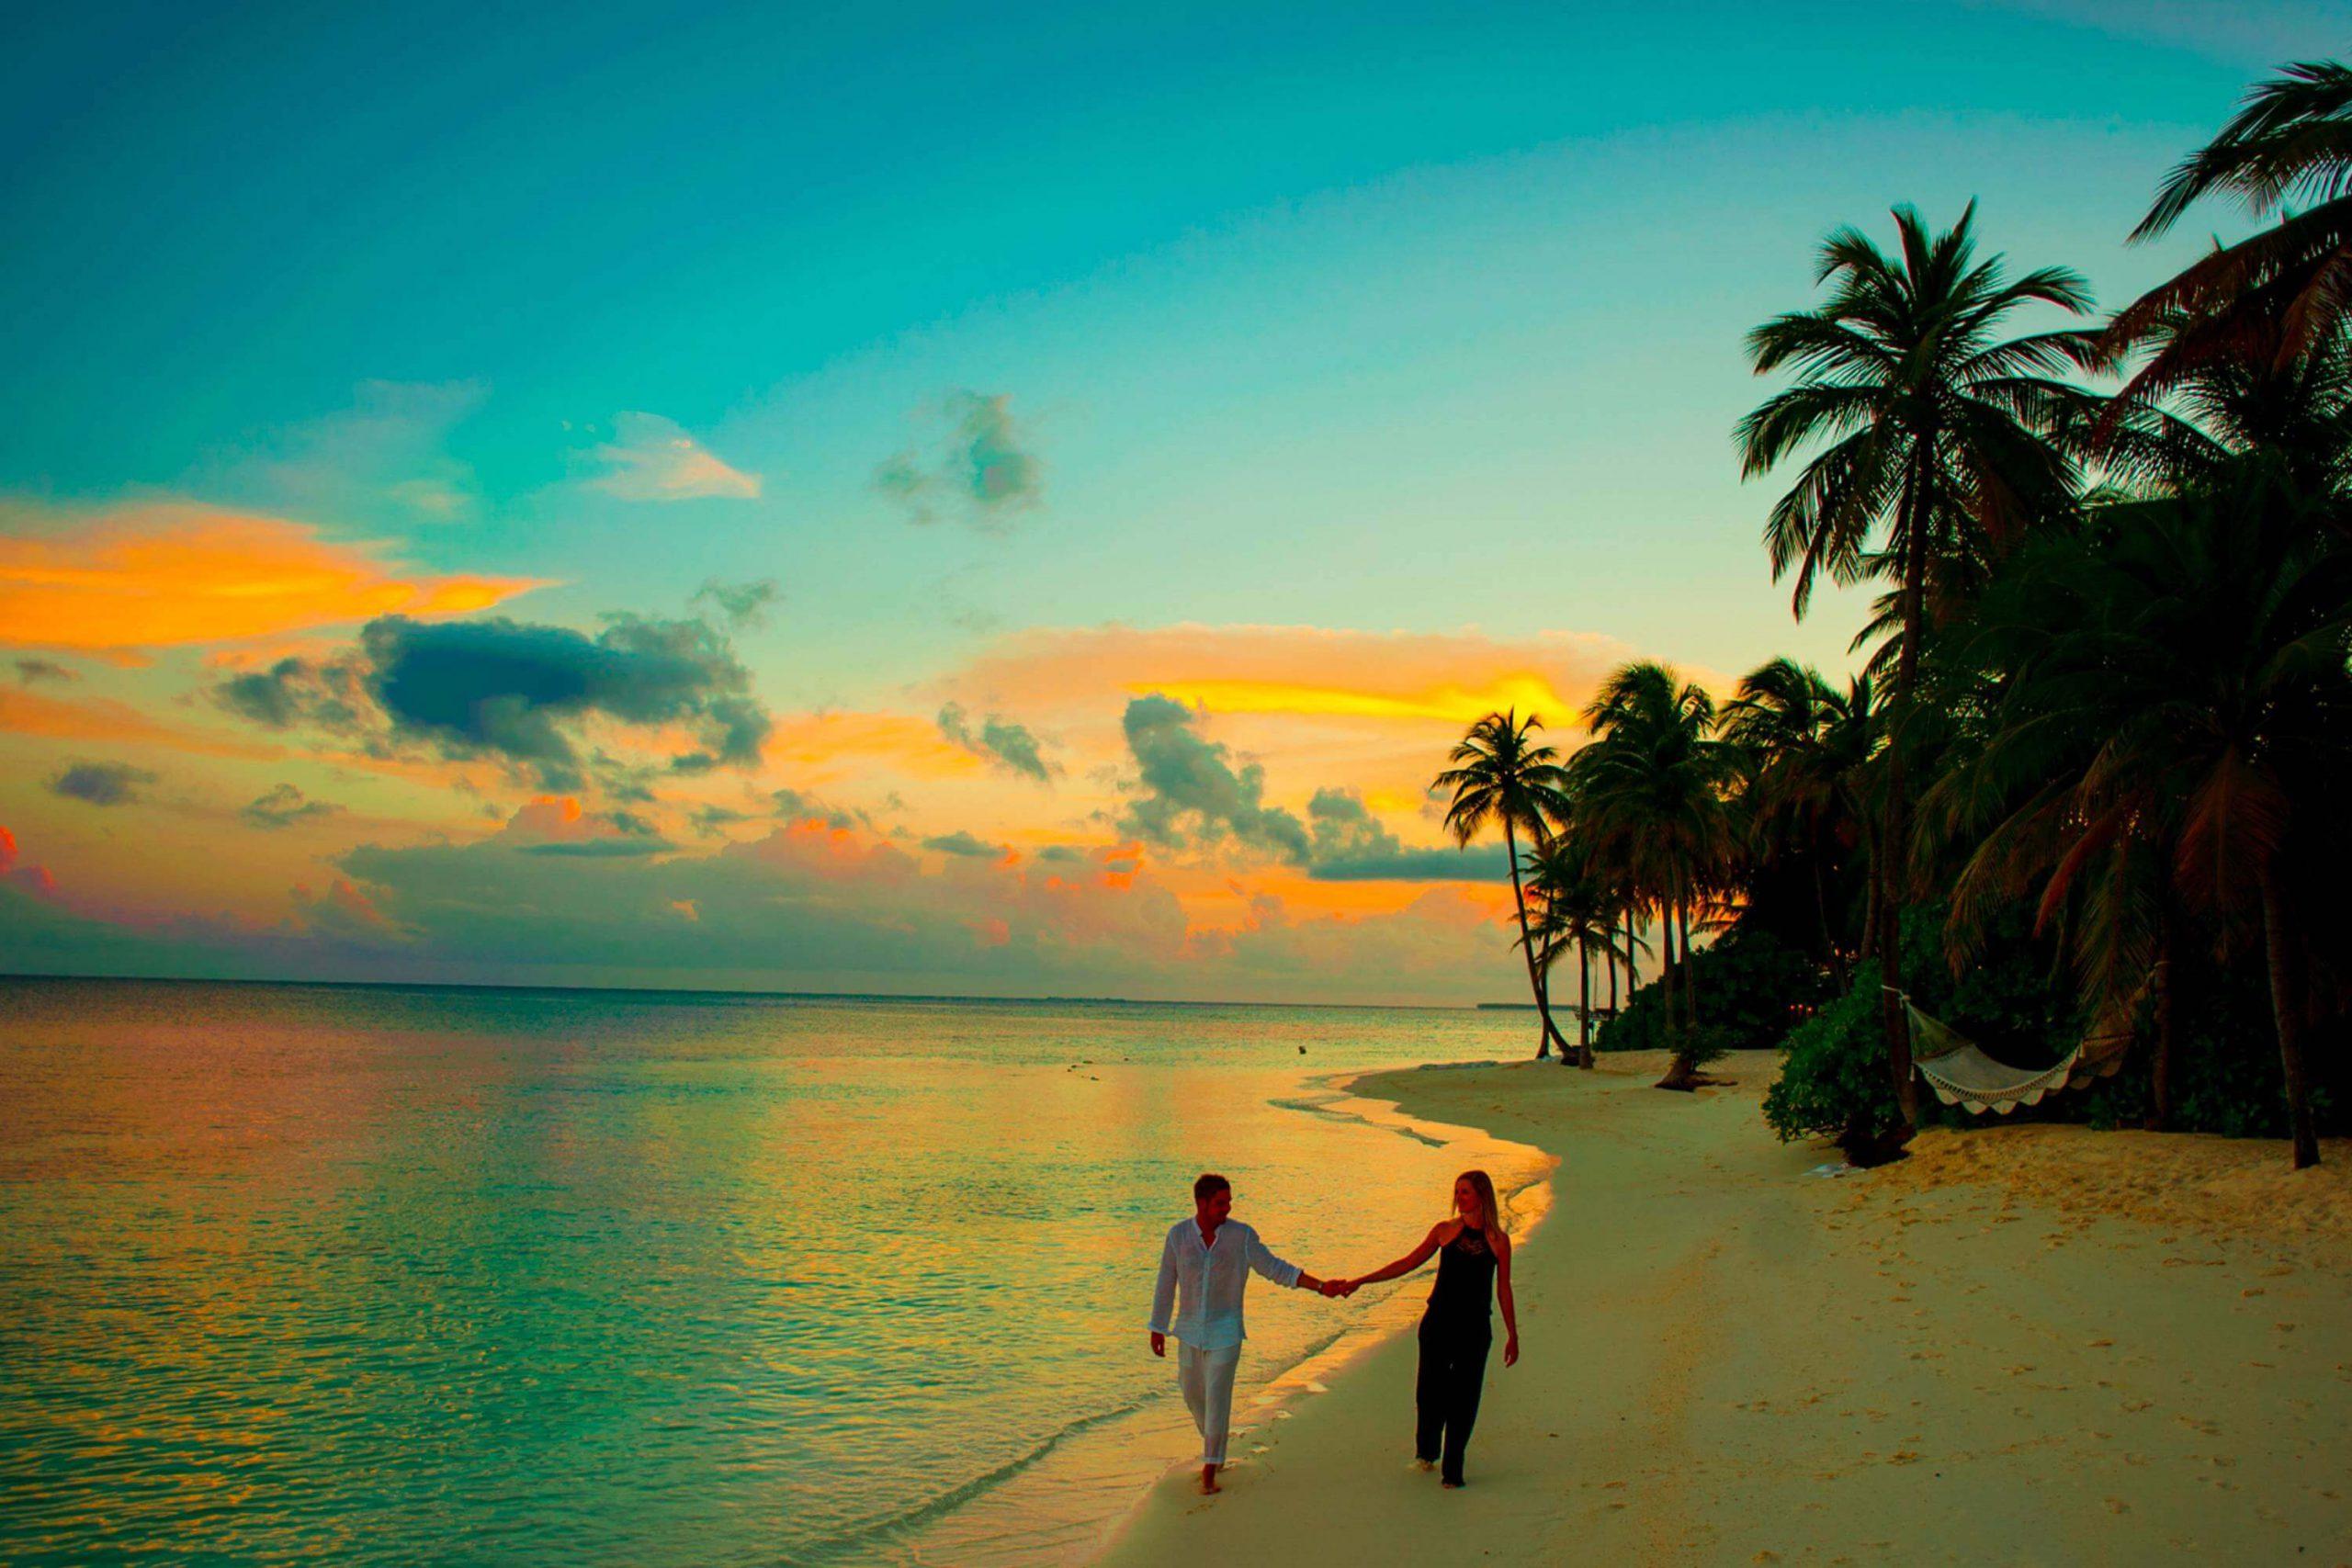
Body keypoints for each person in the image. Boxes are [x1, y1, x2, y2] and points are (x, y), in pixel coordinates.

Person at [1148, 1172, 1342, 1495]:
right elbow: (1166, 1281)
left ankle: (1210, 1468)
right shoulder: (1178, 1236)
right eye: (1220, 1203)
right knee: (1193, 1396)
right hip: (1188, 1333)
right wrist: (1158, 1327)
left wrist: (1321, 1286)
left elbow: (1275, 1268)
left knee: (1218, 1399)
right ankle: (1215, 1444)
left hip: (1226, 1333)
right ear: (1201, 1203)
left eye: (1228, 1201)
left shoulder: (1242, 1236)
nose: (1227, 1208)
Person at [1332, 1169, 1518, 1488]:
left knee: (1465, 1397)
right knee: (1430, 1393)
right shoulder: (1444, 1232)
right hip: (1438, 1324)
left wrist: (1513, 1334)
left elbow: (1503, 1290)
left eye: (1466, 1192)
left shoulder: (1499, 1241)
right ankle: (1427, 1452)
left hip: (1474, 1329)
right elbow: (1407, 1263)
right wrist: (1362, 1281)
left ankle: (1453, 1469)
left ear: (1482, 1196)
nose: (1459, 1198)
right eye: (1457, 1192)